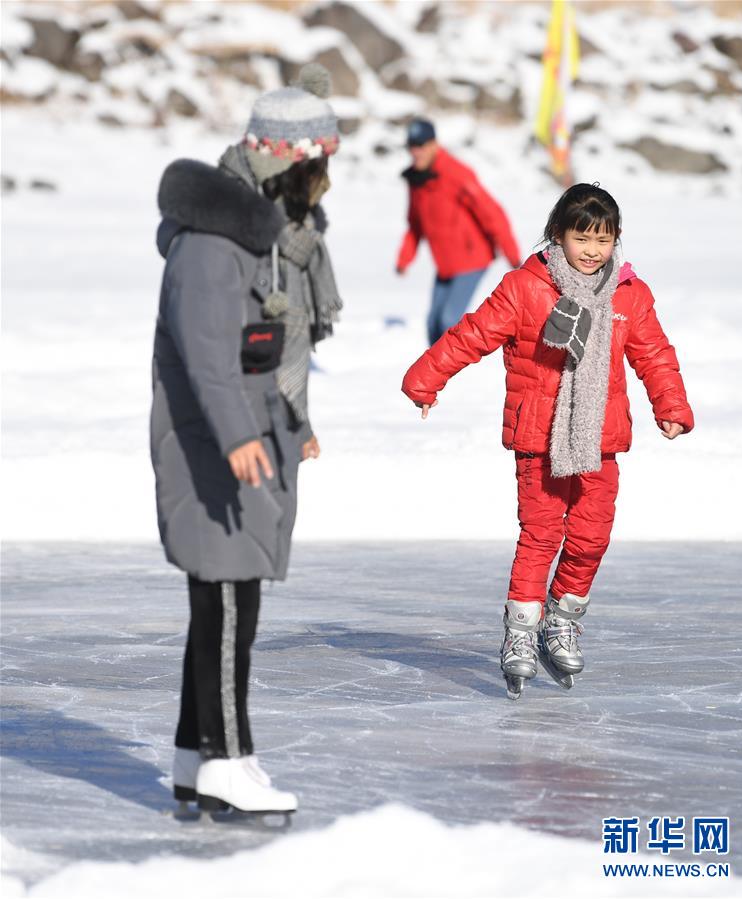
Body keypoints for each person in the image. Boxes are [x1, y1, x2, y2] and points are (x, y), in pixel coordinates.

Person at [400, 183, 693, 699]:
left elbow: (654, 354)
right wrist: (426, 379)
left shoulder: (629, 294)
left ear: (616, 239)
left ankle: (561, 618)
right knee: (541, 534)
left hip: (600, 439)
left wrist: (670, 405)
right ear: (558, 234)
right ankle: (520, 630)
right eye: (582, 237)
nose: (592, 250)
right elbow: (472, 334)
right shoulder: (524, 288)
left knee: (592, 537)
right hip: (539, 437)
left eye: (603, 240)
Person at [150, 64, 341, 810]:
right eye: (316, 169)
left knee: (222, 603)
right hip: (210, 445)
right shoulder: (210, 243)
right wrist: (236, 436)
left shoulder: (258, 239)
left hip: (249, 435)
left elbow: (269, 347)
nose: (322, 186)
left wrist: (299, 423)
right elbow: (207, 353)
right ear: (283, 165)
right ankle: (227, 760)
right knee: (228, 605)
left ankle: (195, 756)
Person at [395, 118, 521, 345]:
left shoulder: (456, 174)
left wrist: (512, 254)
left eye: (421, 145)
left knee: (448, 322)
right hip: (445, 264)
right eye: (412, 146)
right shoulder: (417, 180)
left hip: (472, 259)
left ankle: (454, 365)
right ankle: (435, 367)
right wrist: (404, 259)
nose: (416, 152)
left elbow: (491, 212)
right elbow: (415, 225)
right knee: (432, 324)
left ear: (434, 144)